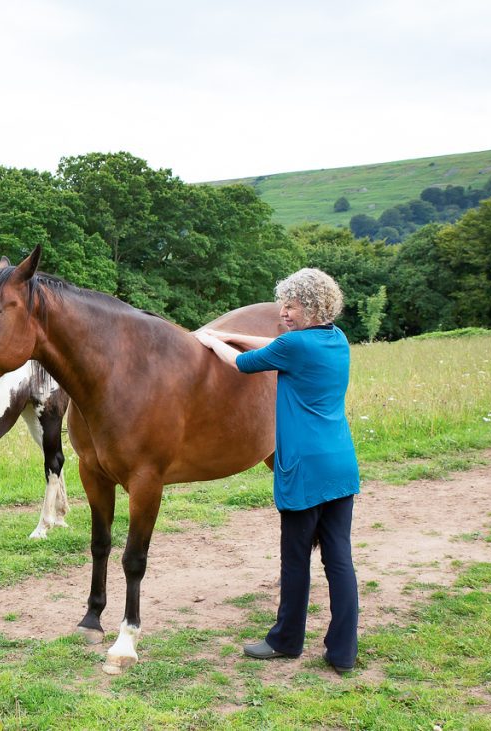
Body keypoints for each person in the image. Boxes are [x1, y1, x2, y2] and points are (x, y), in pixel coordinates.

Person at [194, 268, 360, 674]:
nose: (283, 311)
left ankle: (285, 640)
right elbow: (277, 344)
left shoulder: (296, 347)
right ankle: (343, 652)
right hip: (340, 463)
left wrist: (212, 340)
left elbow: (242, 362)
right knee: (339, 559)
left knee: (295, 560)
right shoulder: (336, 339)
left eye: (293, 305)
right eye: (283, 303)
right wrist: (229, 334)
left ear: (313, 307)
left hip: (305, 468)